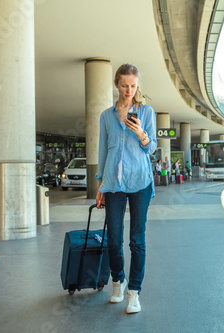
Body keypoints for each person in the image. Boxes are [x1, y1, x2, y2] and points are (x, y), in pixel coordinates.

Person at [95, 63, 157, 314]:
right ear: (116, 84)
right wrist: (100, 183)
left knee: (137, 240)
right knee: (113, 239)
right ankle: (117, 283)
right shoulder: (106, 116)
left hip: (140, 181)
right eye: (124, 85)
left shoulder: (147, 112)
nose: (129, 89)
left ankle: (134, 293)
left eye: (133, 85)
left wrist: (141, 133)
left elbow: (150, 148)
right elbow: (103, 151)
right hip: (113, 183)